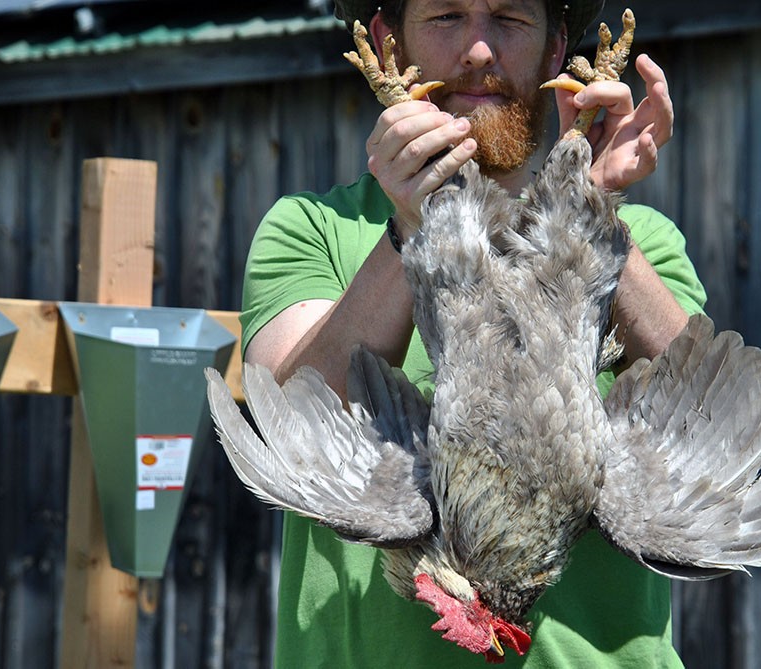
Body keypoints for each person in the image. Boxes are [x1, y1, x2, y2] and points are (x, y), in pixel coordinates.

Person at [239, 0, 707, 665]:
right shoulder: (313, 229)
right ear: (389, 43)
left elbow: (706, 410)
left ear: (555, 50)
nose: (480, 50)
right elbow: (289, 427)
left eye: (510, 18)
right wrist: (409, 226)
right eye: (447, 16)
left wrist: (591, 208)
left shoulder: (644, 242)